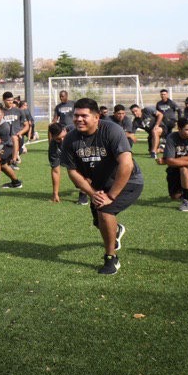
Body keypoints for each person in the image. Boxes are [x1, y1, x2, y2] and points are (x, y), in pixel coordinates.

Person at [61, 98, 144, 276]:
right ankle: (117, 229)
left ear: (97, 117)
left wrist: (111, 196)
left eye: (84, 116)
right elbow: (73, 172)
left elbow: (126, 165)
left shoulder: (112, 130)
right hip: (99, 186)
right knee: (99, 221)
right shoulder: (70, 138)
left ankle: (111, 258)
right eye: (76, 116)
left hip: (128, 180)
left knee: (105, 210)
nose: (78, 119)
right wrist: (92, 194)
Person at [160, 117, 188, 212]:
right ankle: (182, 191)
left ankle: (187, 201)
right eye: (187, 129)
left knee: (185, 168)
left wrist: (169, 161)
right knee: (174, 197)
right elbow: (169, 161)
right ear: (179, 129)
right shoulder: (171, 137)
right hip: (175, 168)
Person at [46, 123, 69, 203]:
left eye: (64, 137)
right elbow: (56, 171)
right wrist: (55, 194)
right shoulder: (53, 148)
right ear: (53, 137)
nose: (62, 140)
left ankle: (83, 194)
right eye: (59, 139)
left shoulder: (75, 132)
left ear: (64, 130)